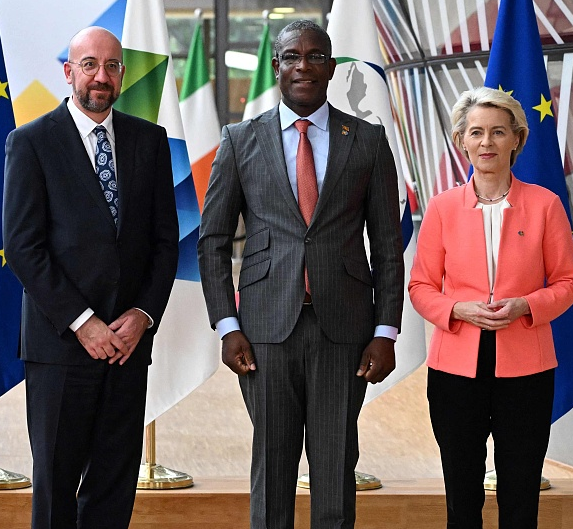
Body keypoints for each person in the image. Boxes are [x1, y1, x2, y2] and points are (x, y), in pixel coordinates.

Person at [198, 19, 404, 529]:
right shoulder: (240, 139)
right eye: (292, 56)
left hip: (346, 332)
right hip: (264, 332)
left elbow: (387, 245)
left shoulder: (368, 140)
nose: (303, 66)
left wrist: (385, 331)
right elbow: (213, 241)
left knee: (335, 469)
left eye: (315, 56)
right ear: (277, 66)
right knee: (272, 471)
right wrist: (226, 325)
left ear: (331, 68)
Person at [2, 26, 179, 529]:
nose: (102, 76)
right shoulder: (31, 142)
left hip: (127, 345)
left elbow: (165, 241)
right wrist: (83, 322)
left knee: (114, 484)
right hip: (61, 347)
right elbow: (23, 247)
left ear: (123, 73)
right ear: (68, 72)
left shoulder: (150, 140)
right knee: (56, 485)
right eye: (89, 65)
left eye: (112, 66)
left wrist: (142, 315)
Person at [409, 86, 573, 528]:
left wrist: (527, 304)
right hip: (454, 371)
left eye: (499, 132)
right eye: (476, 132)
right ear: (461, 141)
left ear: (517, 139)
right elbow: (420, 286)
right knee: (461, 495)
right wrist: (457, 309)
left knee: (520, 494)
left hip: (526, 371)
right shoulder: (442, 208)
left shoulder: (545, 205)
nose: (487, 142)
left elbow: (568, 283)